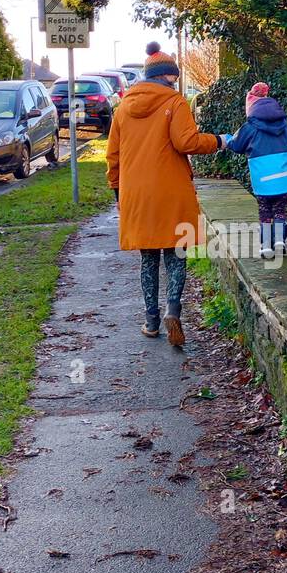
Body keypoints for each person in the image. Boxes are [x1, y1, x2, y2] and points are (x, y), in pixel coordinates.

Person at [107, 41, 224, 345]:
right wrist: (220, 141)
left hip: (137, 194)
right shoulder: (175, 102)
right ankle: (173, 309)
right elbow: (187, 142)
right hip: (171, 192)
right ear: (169, 77)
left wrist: (118, 192)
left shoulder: (122, 109)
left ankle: (151, 320)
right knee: (177, 254)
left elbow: (113, 156)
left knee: (148, 258)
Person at [223, 82, 287, 258]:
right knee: (280, 209)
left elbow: (237, 145)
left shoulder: (249, 127)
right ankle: (280, 241)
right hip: (284, 177)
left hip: (263, 179)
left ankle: (266, 246)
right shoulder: (285, 127)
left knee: (265, 210)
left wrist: (228, 139)